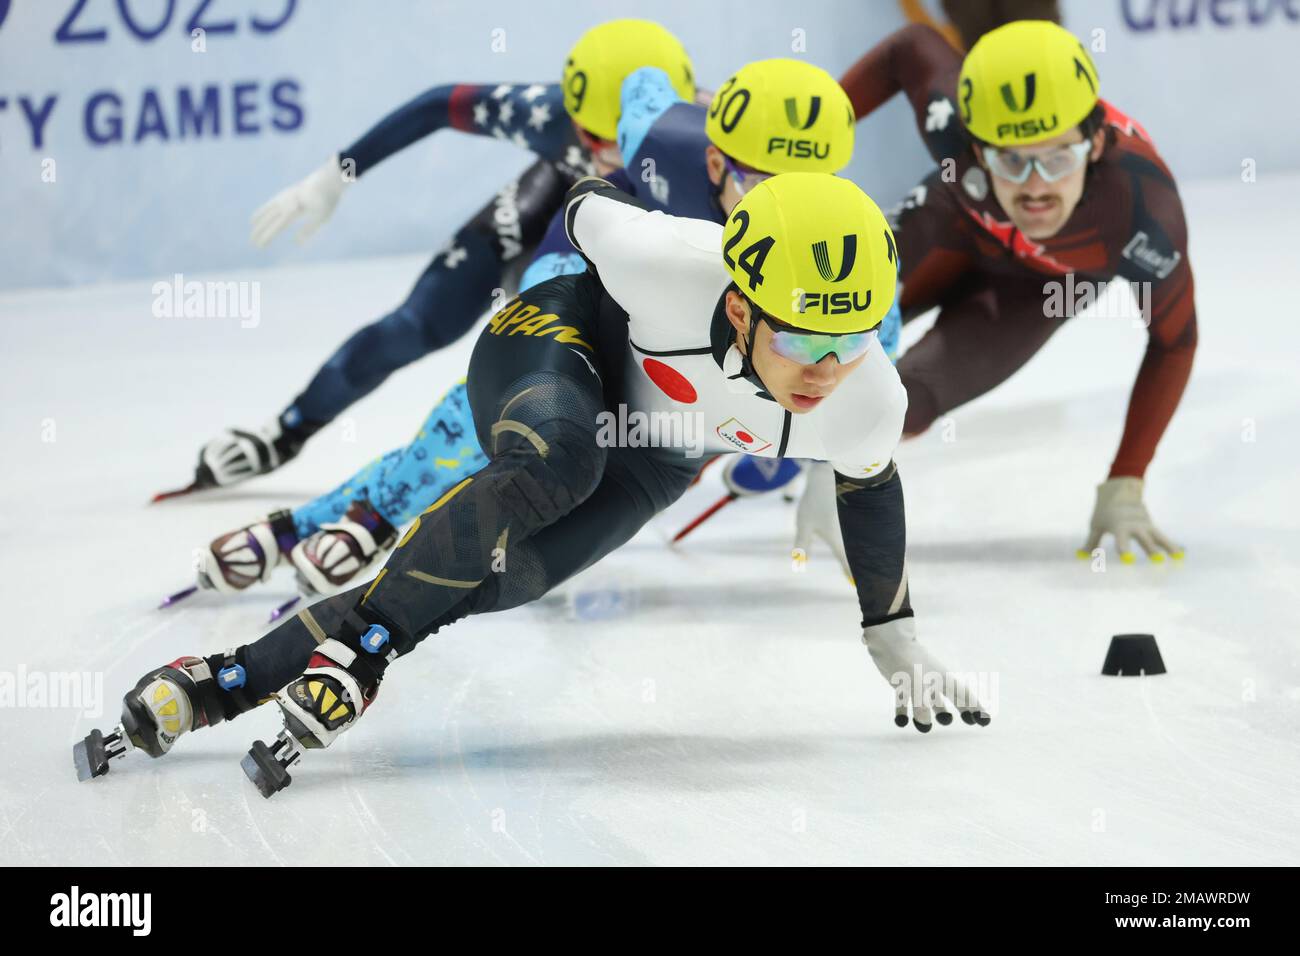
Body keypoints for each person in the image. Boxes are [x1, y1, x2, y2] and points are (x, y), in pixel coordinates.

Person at [75, 173, 990, 797]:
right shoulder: (666, 260)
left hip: (661, 451)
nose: (827, 369)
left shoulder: (867, 396)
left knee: (503, 578)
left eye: (852, 337)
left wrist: (893, 635)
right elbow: (586, 195)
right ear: (741, 302)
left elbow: (872, 496)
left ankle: (216, 683)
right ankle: (361, 654)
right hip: (558, 338)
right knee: (558, 462)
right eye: (802, 339)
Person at [195, 58, 891, 597]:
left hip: (696, 336)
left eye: (810, 183)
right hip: (600, 252)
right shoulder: (660, 136)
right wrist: (337, 173)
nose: (787, 209)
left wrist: (833, 474)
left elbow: (871, 367)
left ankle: (337, 522)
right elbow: (644, 82)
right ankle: (339, 520)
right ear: (713, 159)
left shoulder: (839, 238)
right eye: (762, 185)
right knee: (508, 412)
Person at [175, 19, 694, 494]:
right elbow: (437, 104)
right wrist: (337, 173)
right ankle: (285, 431)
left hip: (629, 235)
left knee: (623, 346)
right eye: (590, 135)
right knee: (418, 323)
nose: (607, 151)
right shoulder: (546, 115)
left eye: (621, 139)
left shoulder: (706, 145)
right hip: (552, 200)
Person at [831, 19, 1194, 562]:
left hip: (1042, 288)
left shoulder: (1144, 212)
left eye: (1058, 158)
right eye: (1010, 159)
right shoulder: (950, 120)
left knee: (896, 409)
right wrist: (817, 133)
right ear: (974, 147)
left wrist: (1127, 479)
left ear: (1095, 143)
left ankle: (813, 451)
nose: (1035, 185)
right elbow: (907, 48)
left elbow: (1175, 342)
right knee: (809, 330)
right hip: (955, 223)